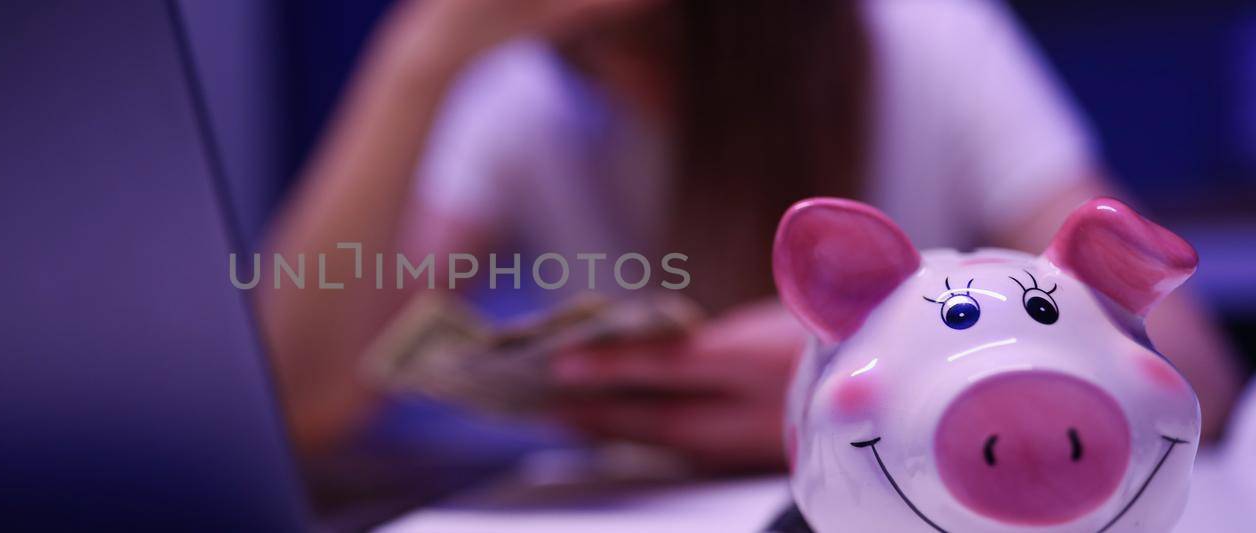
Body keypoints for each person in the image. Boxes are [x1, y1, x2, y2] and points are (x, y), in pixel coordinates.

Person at [258, 0, 1244, 471]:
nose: (625, 75)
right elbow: (301, 402)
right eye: (587, 41)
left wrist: (906, 367)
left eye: (659, 36)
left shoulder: (926, 41)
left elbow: (1192, 371)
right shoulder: (530, 104)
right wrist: (418, 56)